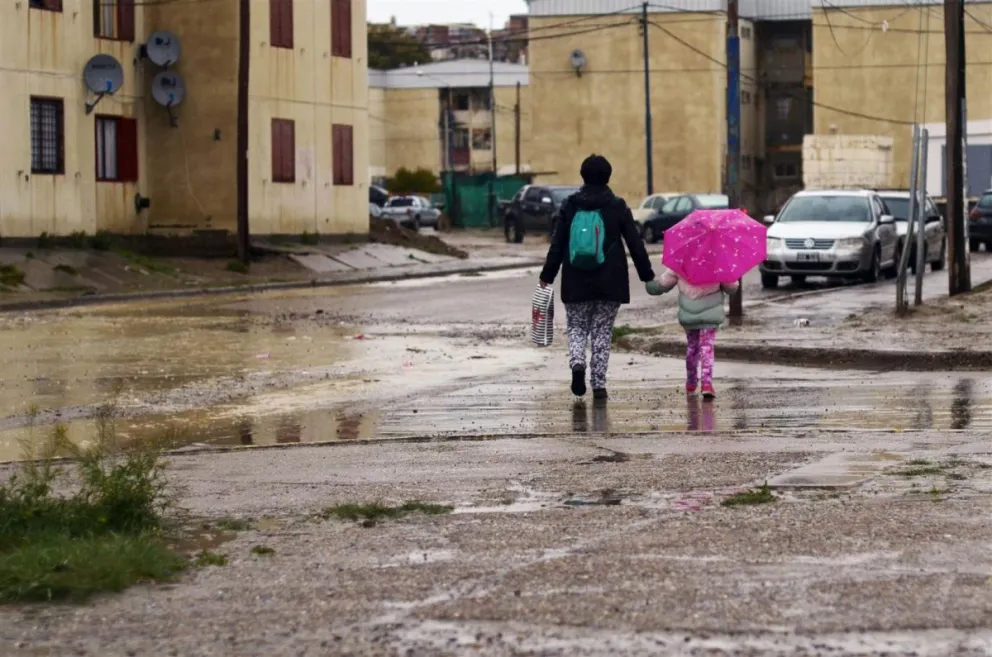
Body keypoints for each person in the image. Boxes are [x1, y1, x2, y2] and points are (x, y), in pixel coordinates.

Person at [539, 154, 656, 400]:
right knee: (602, 331)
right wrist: (647, 275)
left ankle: (577, 363)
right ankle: (599, 384)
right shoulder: (617, 205)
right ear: (608, 177)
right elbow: (635, 243)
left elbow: (558, 243)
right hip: (610, 281)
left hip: (575, 280)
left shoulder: (570, 205)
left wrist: (547, 275)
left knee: (576, 327)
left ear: (583, 175)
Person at [646, 268, 739, 399]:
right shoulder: (716, 264)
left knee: (692, 347)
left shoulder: (681, 262)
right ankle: (706, 384)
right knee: (707, 347)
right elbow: (731, 287)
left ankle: (691, 381)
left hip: (689, 314)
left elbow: (663, 284)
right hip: (710, 314)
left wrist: (650, 284)